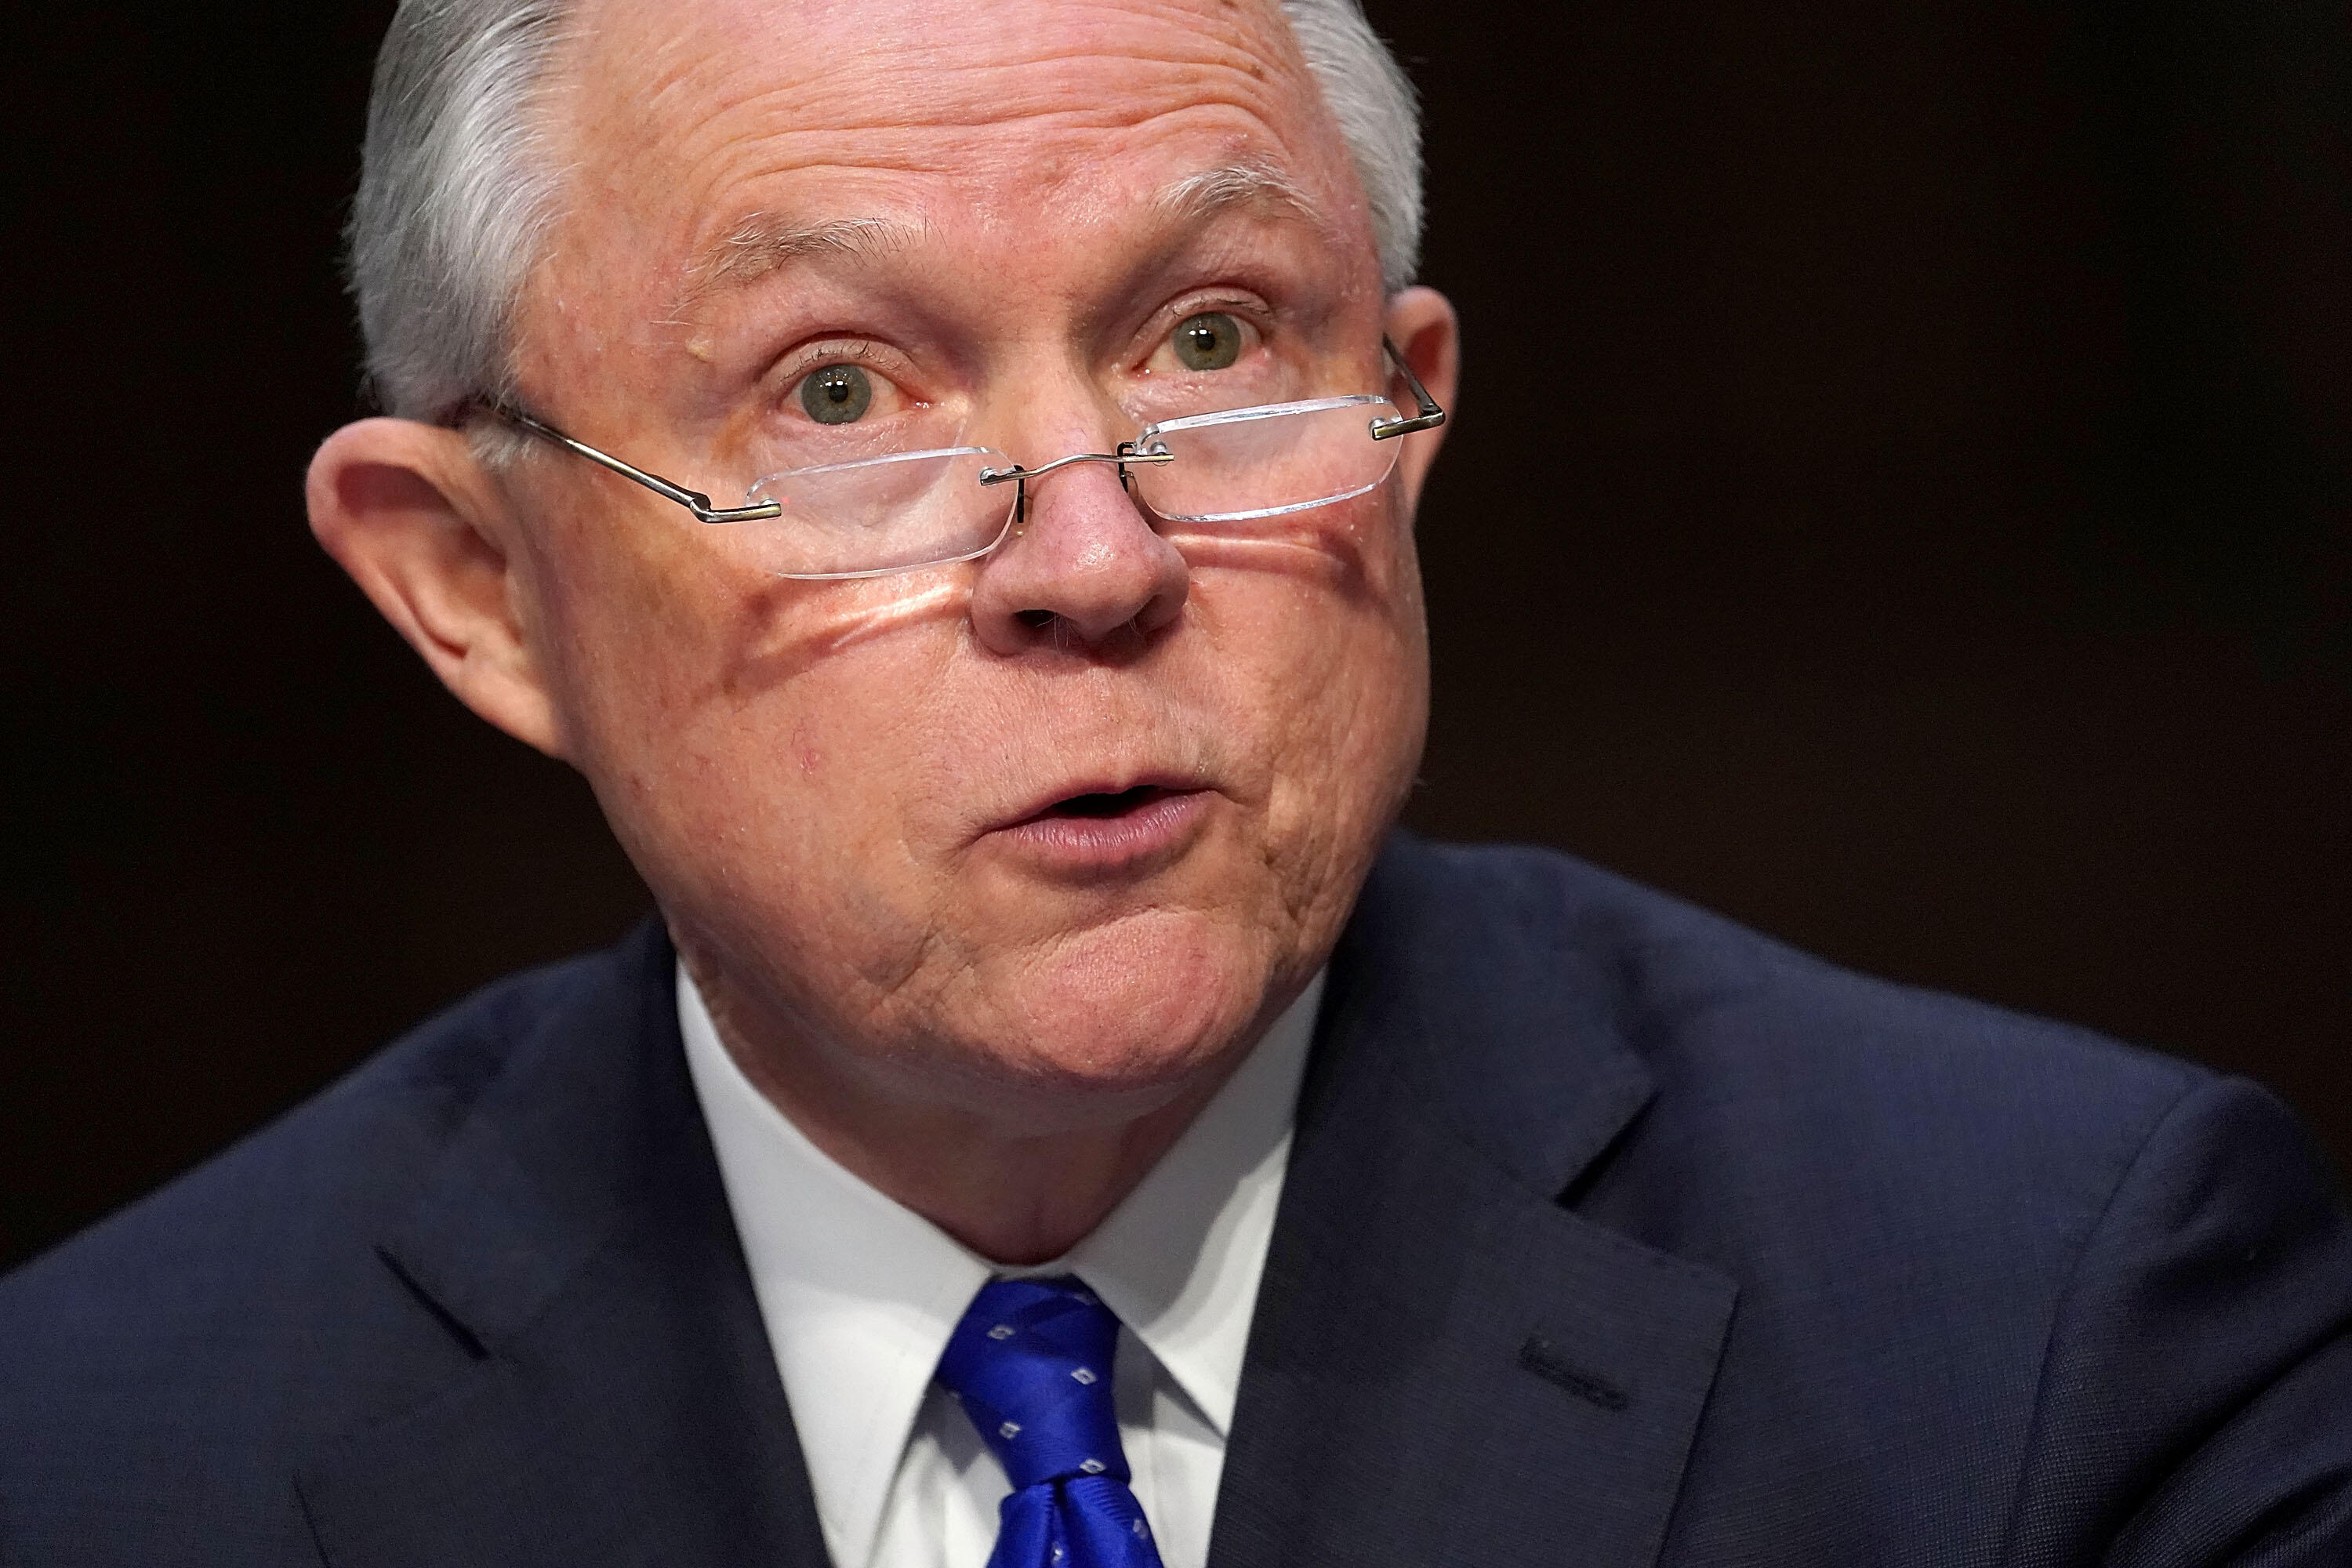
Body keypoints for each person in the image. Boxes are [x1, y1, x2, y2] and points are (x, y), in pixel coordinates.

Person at [5, 0, 2349, 1561]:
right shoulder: (97, 1456)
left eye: (1217, 341)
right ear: (476, 589)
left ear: (1408, 414)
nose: (1099, 559)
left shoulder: (2064, 1321)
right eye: (838, 394)